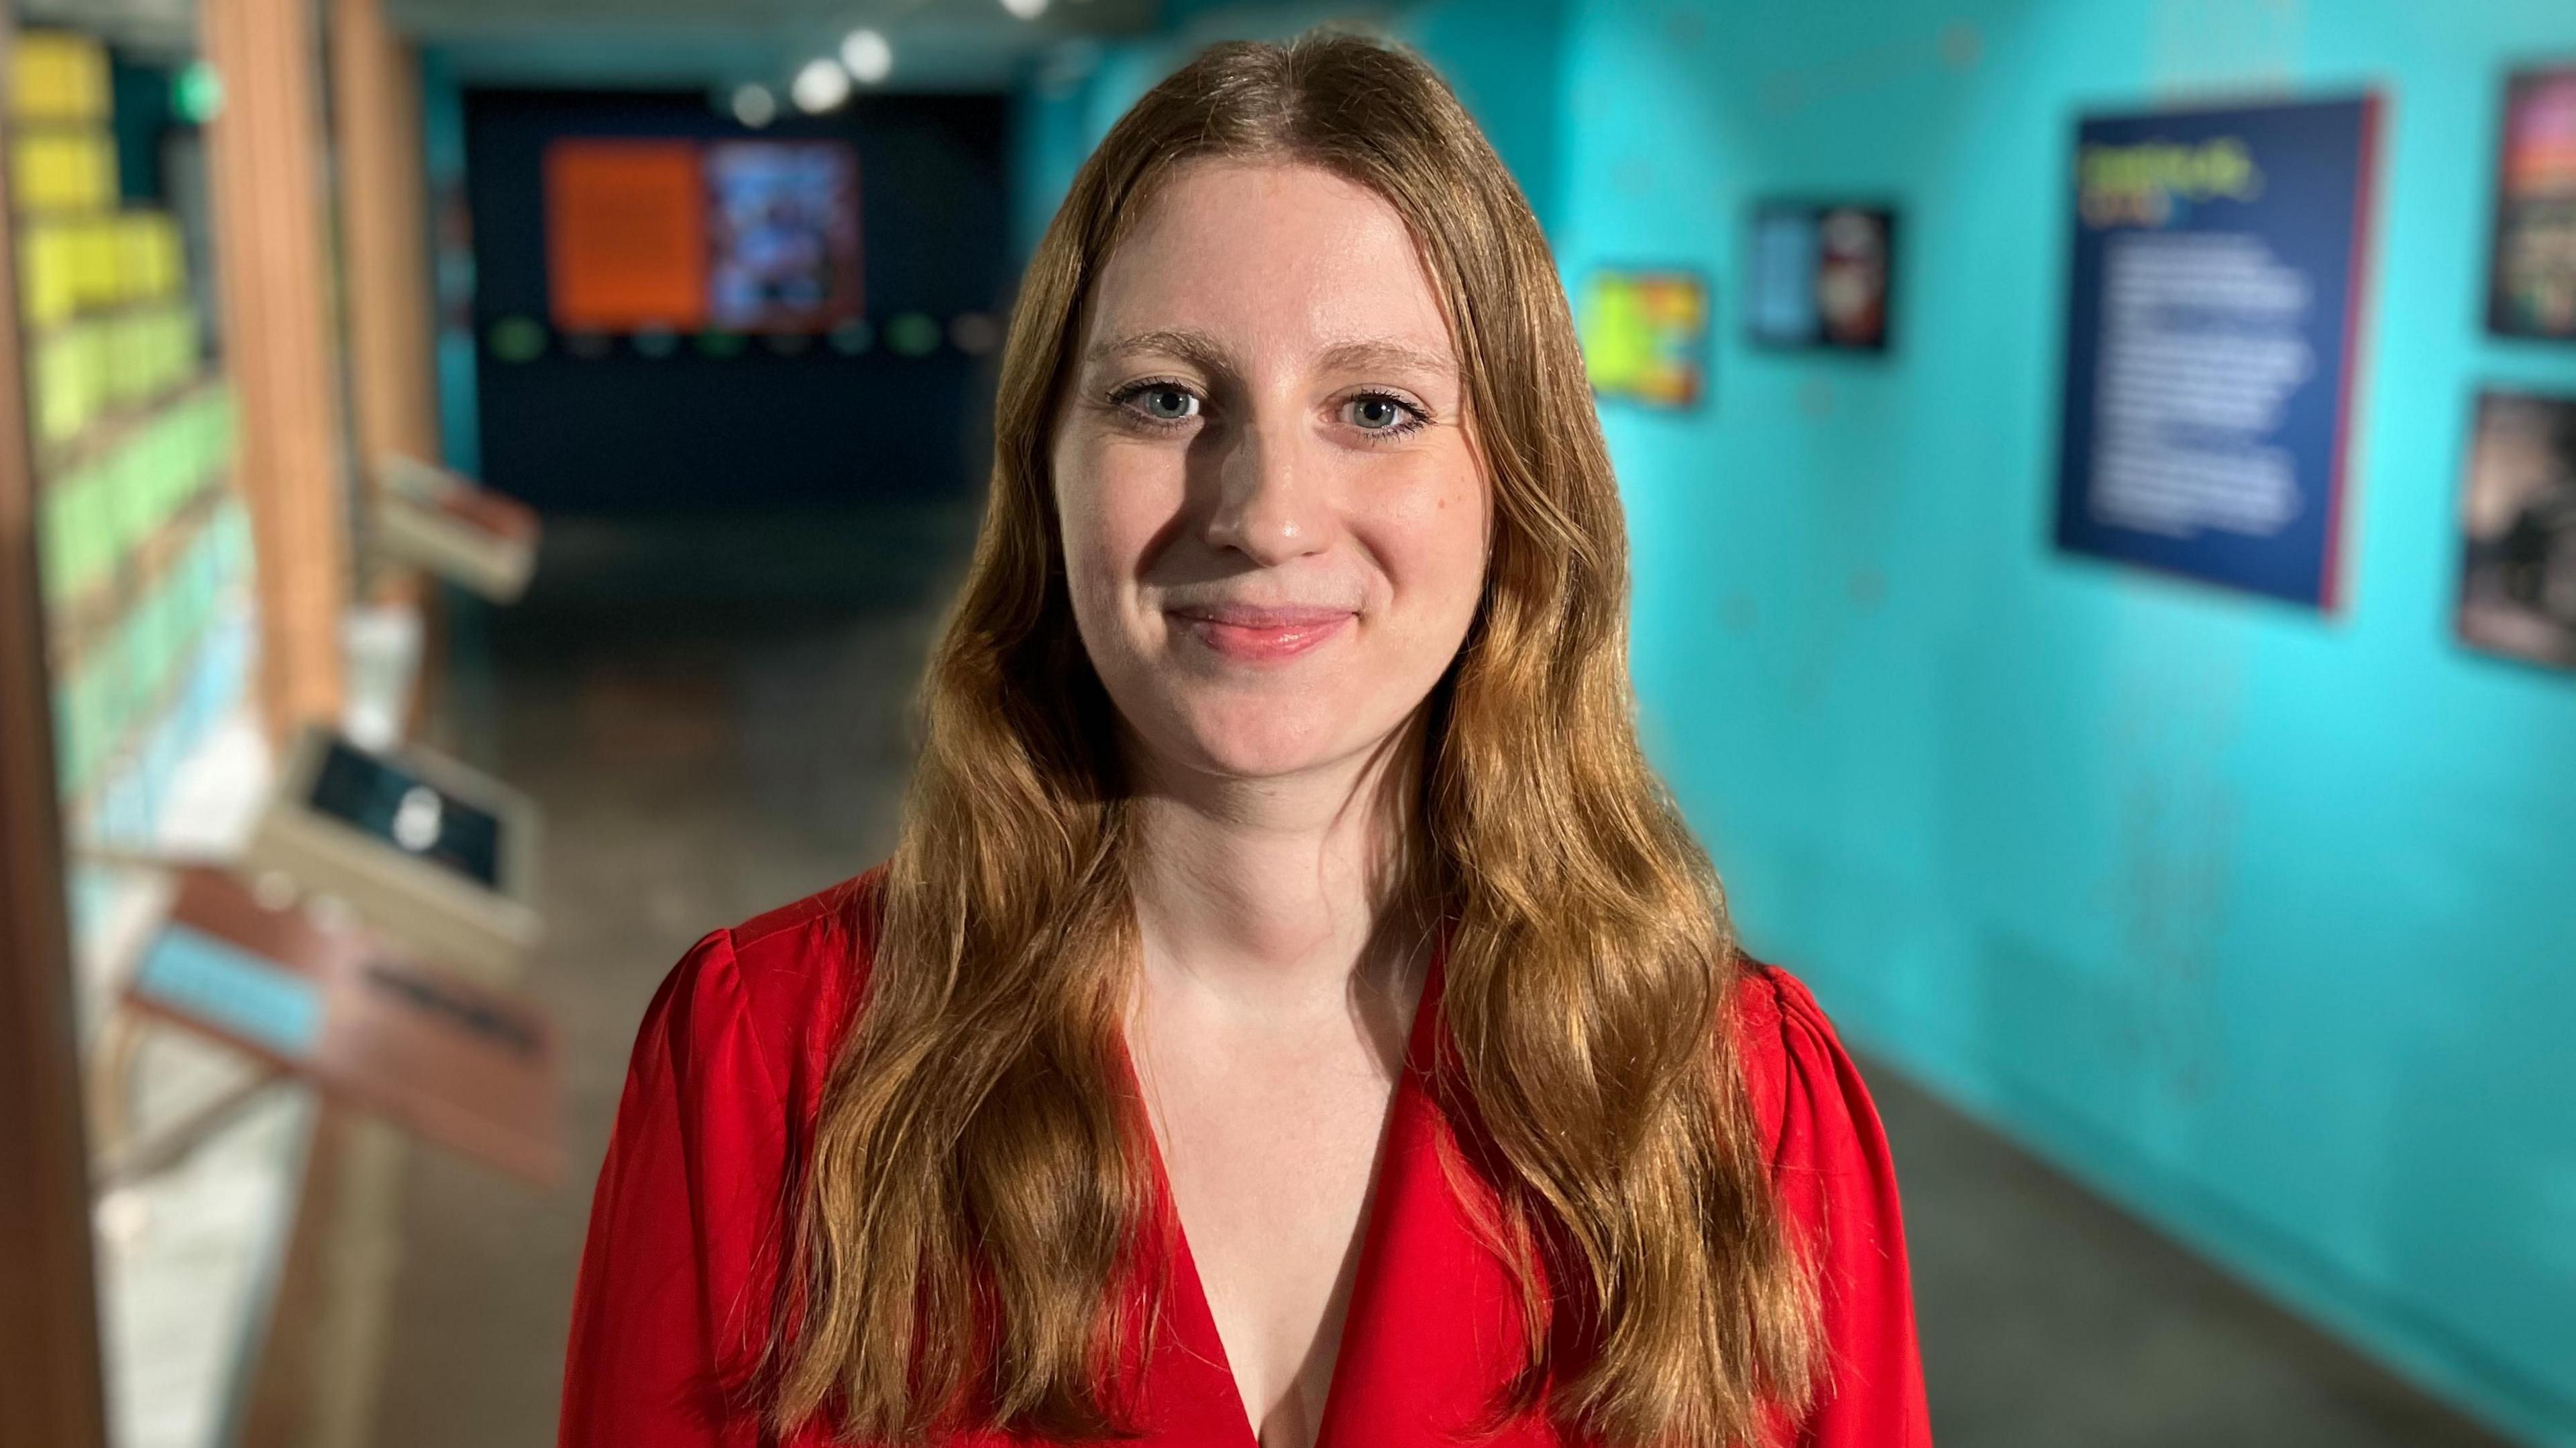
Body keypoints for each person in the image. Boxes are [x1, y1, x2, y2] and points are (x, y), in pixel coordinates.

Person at [559, 30, 1929, 1448]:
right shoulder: (767, 1069)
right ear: (1046, 468)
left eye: (1378, 408)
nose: (1267, 514)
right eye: (1166, 398)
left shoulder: (1734, 1100)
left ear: (1515, 483)